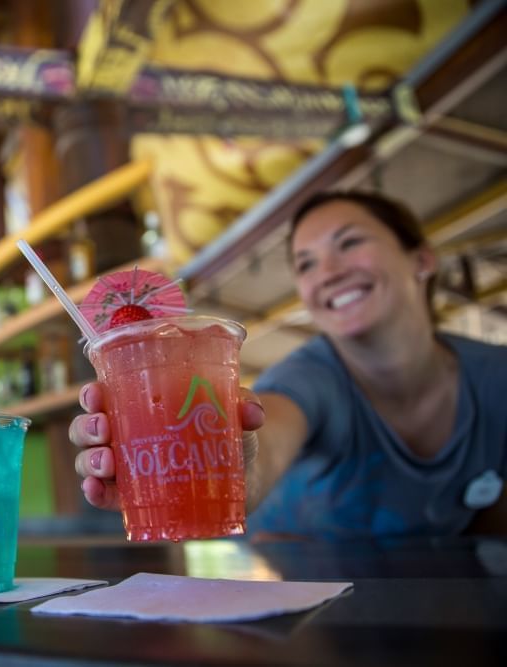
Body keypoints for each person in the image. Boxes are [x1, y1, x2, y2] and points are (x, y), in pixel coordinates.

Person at [70, 191, 507, 539]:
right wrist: (232, 467)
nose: (328, 272)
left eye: (349, 243)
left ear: (422, 260)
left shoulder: (495, 377)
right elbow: (269, 442)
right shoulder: (309, 379)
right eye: (306, 264)